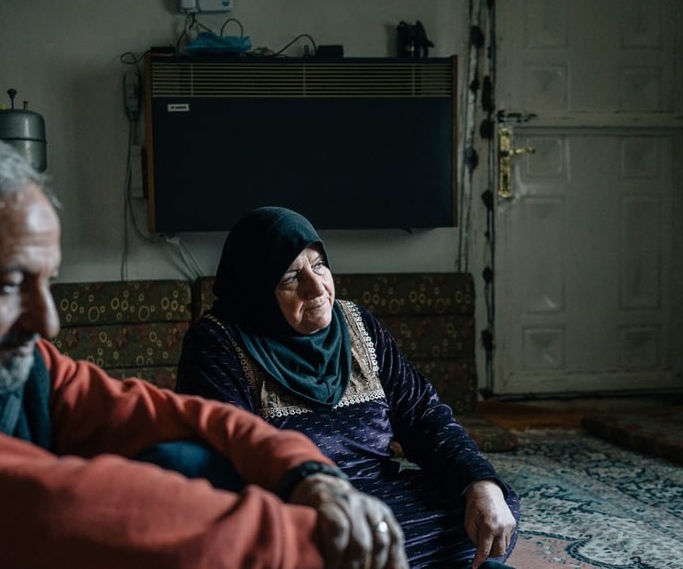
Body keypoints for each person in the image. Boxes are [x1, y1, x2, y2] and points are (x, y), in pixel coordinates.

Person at [0, 129, 410, 569]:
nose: (47, 321)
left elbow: (182, 414)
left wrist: (311, 476)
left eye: (50, 282)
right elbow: (57, 511)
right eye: (11, 284)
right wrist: (321, 544)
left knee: (188, 455)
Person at [175, 206, 520, 569]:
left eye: (319, 264)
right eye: (291, 276)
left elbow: (423, 414)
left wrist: (479, 482)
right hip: (298, 508)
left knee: (491, 504)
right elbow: (231, 459)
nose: (316, 287)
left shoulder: (356, 323)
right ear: (256, 288)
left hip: (384, 496)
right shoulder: (217, 343)